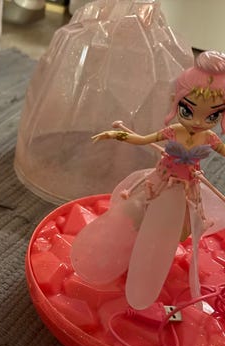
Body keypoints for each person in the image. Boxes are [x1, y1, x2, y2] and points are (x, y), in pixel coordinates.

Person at [71, 50, 225, 310]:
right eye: (188, 110)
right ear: (176, 102)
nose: (199, 121)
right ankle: (117, 255)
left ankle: (147, 275)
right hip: (158, 184)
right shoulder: (173, 131)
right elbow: (142, 140)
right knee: (134, 216)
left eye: (212, 116)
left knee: (173, 232)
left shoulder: (210, 139)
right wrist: (114, 134)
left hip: (185, 192)